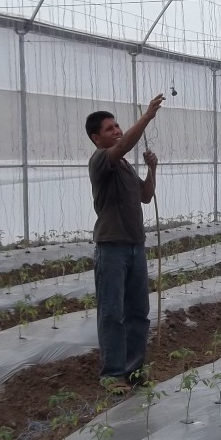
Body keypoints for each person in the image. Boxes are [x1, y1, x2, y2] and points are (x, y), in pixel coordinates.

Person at [85, 93, 165, 392]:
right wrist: (146, 117)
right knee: (112, 312)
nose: (117, 130)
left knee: (137, 311)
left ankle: (134, 370)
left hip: (135, 245)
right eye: (110, 128)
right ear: (96, 138)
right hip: (112, 246)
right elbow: (122, 146)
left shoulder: (125, 167)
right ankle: (112, 373)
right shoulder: (101, 160)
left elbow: (145, 196)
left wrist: (152, 170)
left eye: (117, 125)